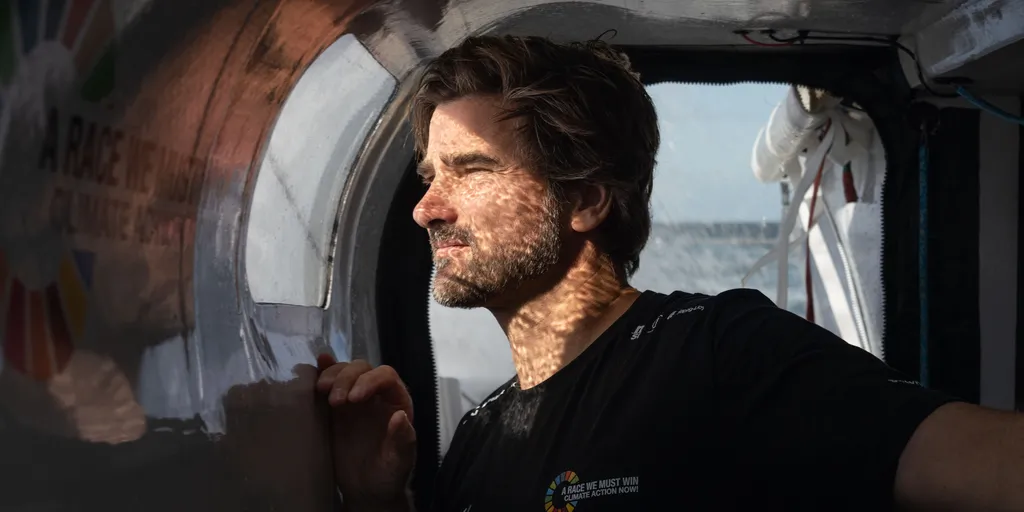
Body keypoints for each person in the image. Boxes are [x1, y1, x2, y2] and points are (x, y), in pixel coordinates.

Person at [315, 35, 1024, 511]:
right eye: (430, 175)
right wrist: (381, 501)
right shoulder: (480, 432)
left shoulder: (719, 351)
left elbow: (982, 461)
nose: (426, 209)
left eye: (470, 169)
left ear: (587, 200)